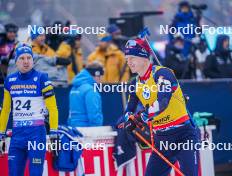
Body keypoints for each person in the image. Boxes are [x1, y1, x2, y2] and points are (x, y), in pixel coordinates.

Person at [123, 38, 200, 176]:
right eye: (127, 58)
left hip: (183, 134)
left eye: (132, 57)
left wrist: (141, 117)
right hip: (162, 139)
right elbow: (128, 110)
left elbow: (162, 102)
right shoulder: (134, 84)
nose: (128, 62)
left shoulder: (162, 73)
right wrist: (129, 119)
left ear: (144, 57)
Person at [0, 43, 59, 176]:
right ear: (16, 61)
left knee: (35, 173)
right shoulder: (10, 80)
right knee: (14, 173)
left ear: (33, 60)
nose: (26, 61)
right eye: (22, 58)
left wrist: (54, 133)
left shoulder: (42, 78)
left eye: (29, 58)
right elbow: (5, 110)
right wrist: (1, 134)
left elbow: (53, 108)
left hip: (36, 134)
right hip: (17, 135)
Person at [67, 62, 104, 127]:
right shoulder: (90, 91)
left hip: (73, 128)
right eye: (101, 76)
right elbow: (94, 115)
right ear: (96, 75)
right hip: (87, 131)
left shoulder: (74, 88)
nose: (101, 79)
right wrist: (97, 129)